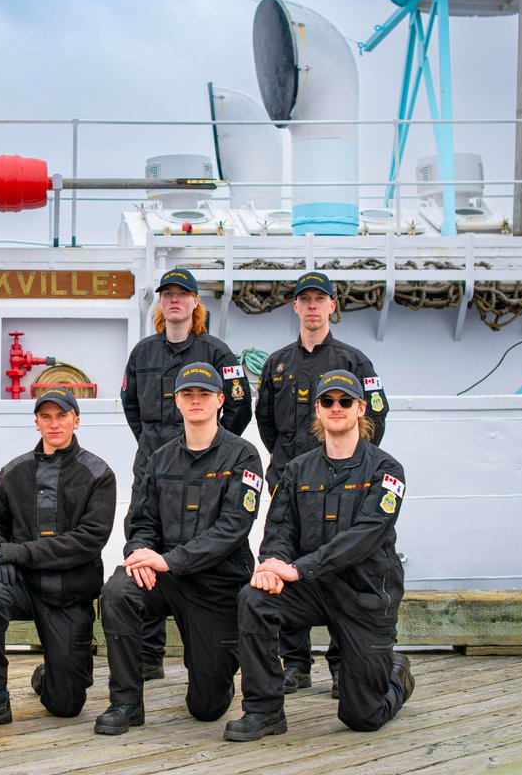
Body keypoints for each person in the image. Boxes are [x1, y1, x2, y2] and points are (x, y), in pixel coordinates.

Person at [225, 370, 414, 741]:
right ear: (318, 409)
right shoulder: (297, 470)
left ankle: (396, 672)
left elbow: (364, 537)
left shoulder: (387, 470)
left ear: (361, 408)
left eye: (345, 401)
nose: (336, 407)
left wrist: (298, 568)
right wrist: (273, 564)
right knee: (255, 598)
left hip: (365, 595)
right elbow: (279, 530)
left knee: (363, 716)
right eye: (328, 401)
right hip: (312, 589)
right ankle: (264, 711)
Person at [95, 363, 264, 735]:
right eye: (188, 394)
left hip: (216, 585)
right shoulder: (160, 459)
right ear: (177, 401)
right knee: (118, 591)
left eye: (205, 394)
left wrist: (168, 560)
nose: (196, 400)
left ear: (221, 400)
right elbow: (141, 522)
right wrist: (139, 553)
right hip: (164, 578)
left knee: (206, 709)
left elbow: (232, 529)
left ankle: (216, 675)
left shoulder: (243, 457)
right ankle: (125, 702)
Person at [254, 270, 389, 698]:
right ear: (295, 307)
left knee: (343, 563)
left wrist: (348, 466)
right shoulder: (277, 364)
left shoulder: (355, 361)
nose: (313, 306)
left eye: (320, 299)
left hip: (344, 480)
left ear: (333, 306)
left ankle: (341, 662)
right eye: (305, 300)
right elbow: (266, 422)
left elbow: (376, 419)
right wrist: (294, 464)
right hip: (289, 480)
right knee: (285, 560)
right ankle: (295, 665)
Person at [120, 267, 252, 680]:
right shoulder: (142, 353)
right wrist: (155, 448)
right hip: (154, 467)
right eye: (167, 294)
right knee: (145, 542)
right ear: (160, 303)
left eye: (183, 294)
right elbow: (131, 406)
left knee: (202, 541)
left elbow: (240, 407)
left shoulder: (218, 353)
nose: (174, 300)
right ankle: (148, 654)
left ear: (196, 303)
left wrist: (215, 449)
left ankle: (206, 637)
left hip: (208, 466)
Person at [0, 387, 116, 731]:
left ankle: (55, 670)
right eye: (46, 417)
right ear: (36, 423)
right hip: (19, 585)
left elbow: (87, 542)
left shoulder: (98, 474)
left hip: (68, 592)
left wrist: (14, 553)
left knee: (66, 706)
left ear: (76, 420)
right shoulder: (13, 471)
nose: (54, 423)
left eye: (62, 416)